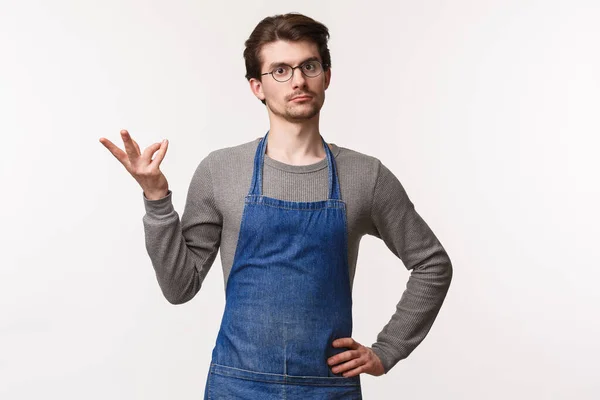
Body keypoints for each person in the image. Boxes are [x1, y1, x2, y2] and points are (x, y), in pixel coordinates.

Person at [100, 12, 452, 399]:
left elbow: (432, 264)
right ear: (257, 86)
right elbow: (179, 287)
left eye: (309, 66)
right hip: (237, 387)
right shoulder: (221, 171)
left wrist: (387, 350)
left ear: (327, 76)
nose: (298, 80)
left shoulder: (365, 176)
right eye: (280, 70)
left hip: (327, 389)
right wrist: (156, 198)